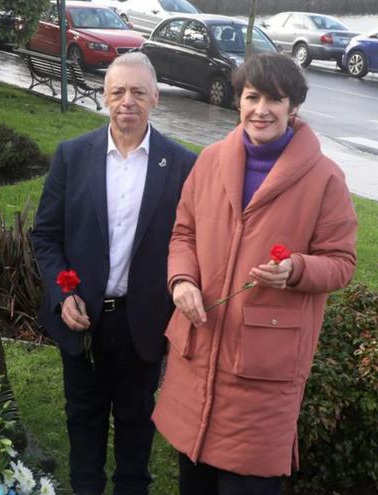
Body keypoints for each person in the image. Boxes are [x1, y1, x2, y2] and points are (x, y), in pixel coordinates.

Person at [153, 53, 358, 495]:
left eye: (274, 99)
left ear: (293, 107)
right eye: (252, 97)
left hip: (262, 371)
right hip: (199, 346)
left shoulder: (325, 179)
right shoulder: (209, 161)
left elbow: (342, 262)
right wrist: (182, 280)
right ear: (238, 101)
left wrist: (296, 269)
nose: (261, 109)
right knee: (195, 482)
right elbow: (183, 233)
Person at [31, 52, 197, 495]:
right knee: (83, 430)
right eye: (118, 91)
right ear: (104, 96)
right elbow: (45, 235)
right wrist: (61, 294)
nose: (128, 101)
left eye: (138, 92)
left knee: (135, 436)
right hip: (81, 321)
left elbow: (192, 242)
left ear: (156, 98)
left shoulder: (182, 165)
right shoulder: (72, 156)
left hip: (141, 323)